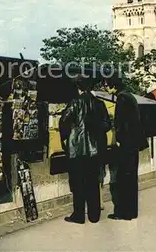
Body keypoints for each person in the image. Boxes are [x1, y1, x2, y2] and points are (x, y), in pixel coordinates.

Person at [59, 78, 109, 224]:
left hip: (77, 150)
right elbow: (107, 125)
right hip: (95, 151)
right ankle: (94, 216)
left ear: (79, 88)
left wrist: (66, 137)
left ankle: (79, 215)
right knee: (93, 182)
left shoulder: (75, 102)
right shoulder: (100, 104)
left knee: (78, 183)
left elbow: (63, 121)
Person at [107, 79, 148, 221]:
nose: (106, 88)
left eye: (107, 85)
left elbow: (121, 122)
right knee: (131, 178)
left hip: (126, 143)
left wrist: (118, 139)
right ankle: (131, 212)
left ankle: (122, 212)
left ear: (114, 85)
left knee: (123, 178)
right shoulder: (129, 96)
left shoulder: (122, 98)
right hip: (134, 143)